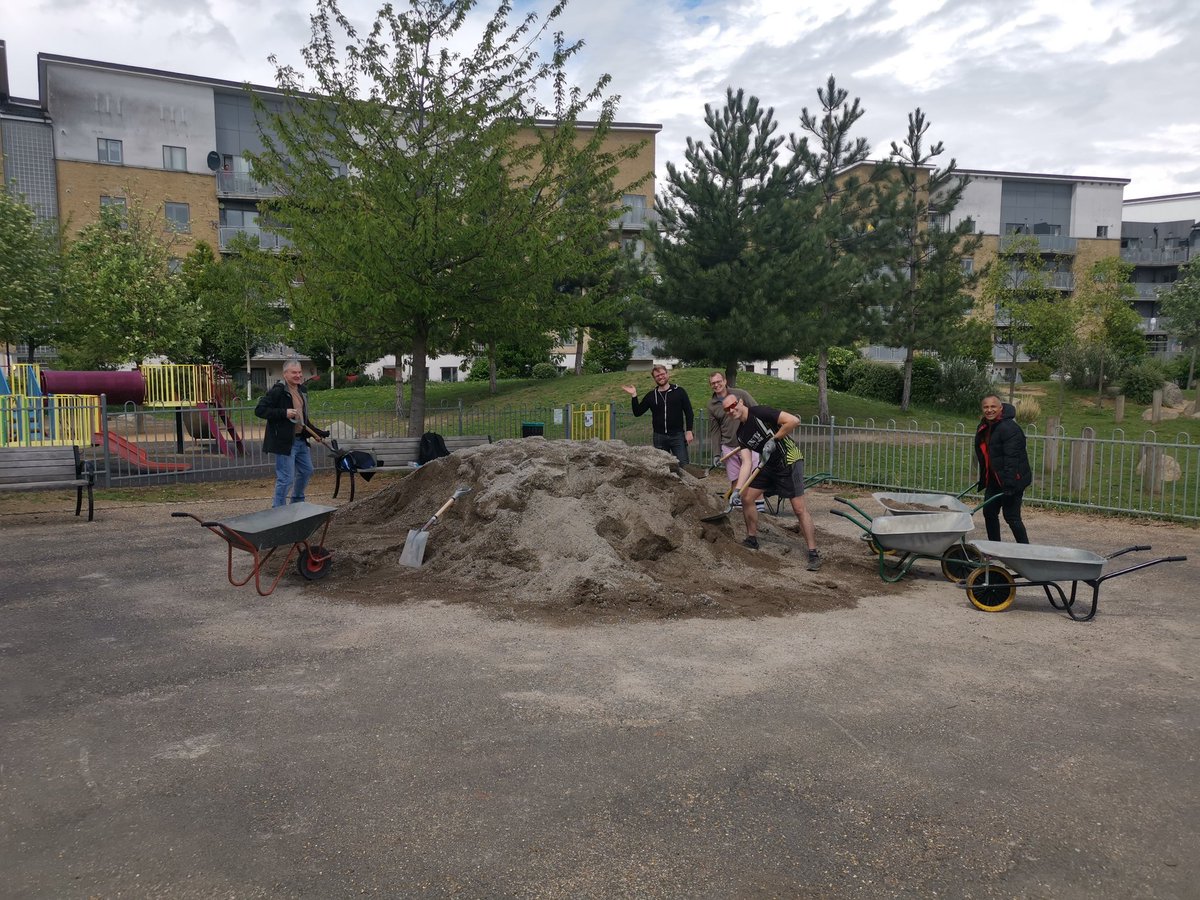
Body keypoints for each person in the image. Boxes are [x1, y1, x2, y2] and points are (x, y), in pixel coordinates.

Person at [723, 394, 821, 571]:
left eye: (733, 405)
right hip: (768, 465)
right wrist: (737, 489)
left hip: (789, 459)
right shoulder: (741, 433)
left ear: (741, 402)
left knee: (799, 508)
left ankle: (813, 553)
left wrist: (774, 440)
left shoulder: (760, 412)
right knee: (746, 498)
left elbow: (793, 421)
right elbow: (746, 463)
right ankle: (752, 539)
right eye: (727, 409)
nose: (731, 410)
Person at [255, 360, 329, 507]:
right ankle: (278, 509)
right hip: (284, 442)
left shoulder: (302, 390)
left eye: (300, 372)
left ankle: (297, 502)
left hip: (301, 441)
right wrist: (284, 413)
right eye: (294, 372)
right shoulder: (278, 391)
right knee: (286, 478)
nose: (298, 375)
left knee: (307, 471)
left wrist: (317, 433)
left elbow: (303, 419)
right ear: (285, 374)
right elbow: (260, 410)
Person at [974, 394, 1032, 543]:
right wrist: (985, 477)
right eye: (986, 407)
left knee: (1012, 517)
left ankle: (1026, 550)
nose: (989, 410)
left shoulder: (1009, 428)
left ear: (1001, 408)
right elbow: (987, 454)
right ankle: (994, 547)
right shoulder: (985, 426)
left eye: (993, 406)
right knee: (989, 513)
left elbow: (1012, 458)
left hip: (1012, 480)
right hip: (995, 479)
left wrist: (1010, 485)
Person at [706, 371, 765, 513]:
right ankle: (738, 511)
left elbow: (756, 410)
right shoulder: (712, 405)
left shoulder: (741, 394)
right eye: (713, 383)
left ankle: (760, 511)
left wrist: (759, 435)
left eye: (719, 381)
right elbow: (715, 431)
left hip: (749, 444)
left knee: (753, 478)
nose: (716, 385)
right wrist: (716, 453)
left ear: (725, 381)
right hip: (728, 446)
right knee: (736, 480)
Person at [622, 364, 694, 466]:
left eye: (662, 374)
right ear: (654, 378)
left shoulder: (679, 391)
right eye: (657, 376)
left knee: (683, 465)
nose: (660, 377)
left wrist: (689, 430)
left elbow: (689, 412)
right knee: (663, 467)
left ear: (667, 374)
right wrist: (634, 395)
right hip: (659, 437)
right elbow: (637, 412)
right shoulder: (651, 396)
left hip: (677, 436)